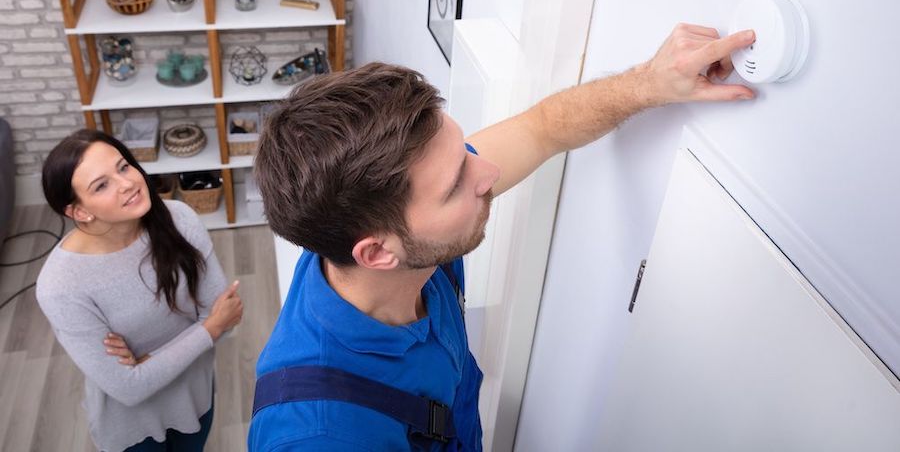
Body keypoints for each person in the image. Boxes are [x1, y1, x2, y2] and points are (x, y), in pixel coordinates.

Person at [248, 24, 757, 451]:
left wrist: (651, 81)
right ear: (379, 251)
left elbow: (542, 129)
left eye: (463, 151)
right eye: (454, 186)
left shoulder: (402, 240)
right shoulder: (316, 435)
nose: (488, 170)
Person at [36, 129, 244, 452]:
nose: (128, 183)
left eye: (123, 167)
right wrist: (208, 329)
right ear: (79, 212)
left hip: (196, 397)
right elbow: (129, 388)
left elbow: (226, 320)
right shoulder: (60, 286)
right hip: (132, 428)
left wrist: (148, 360)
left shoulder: (180, 219)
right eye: (101, 185)